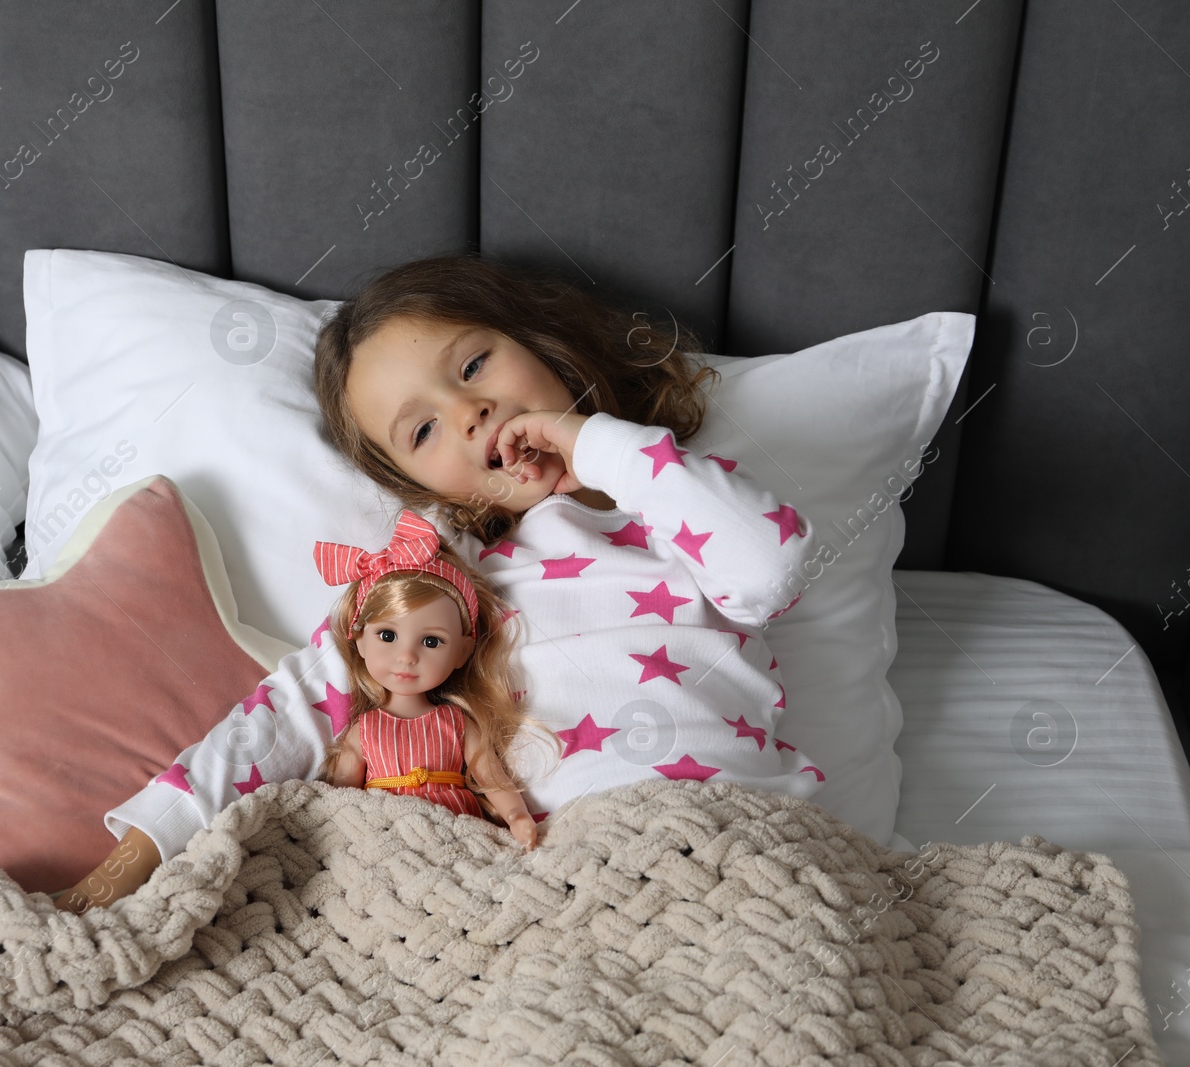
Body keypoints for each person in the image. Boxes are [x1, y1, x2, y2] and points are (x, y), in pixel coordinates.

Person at [56, 253, 821, 914]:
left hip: (741, 827)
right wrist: (131, 860)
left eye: (474, 365)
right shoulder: (447, 583)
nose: (469, 412)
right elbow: (290, 709)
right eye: (422, 431)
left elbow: (772, 569)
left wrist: (595, 447)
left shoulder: (674, 499)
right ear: (419, 483)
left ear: (541, 341)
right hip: (570, 867)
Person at [312, 509, 543, 851]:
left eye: (432, 641)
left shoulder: (458, 723)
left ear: (462, 652)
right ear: (359, 639)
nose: (407, 656)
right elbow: (341, 800)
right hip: (385, 832)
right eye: (387, 636)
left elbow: (492, 777)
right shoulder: (364, 730)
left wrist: (517, 816)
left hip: (457, 831)